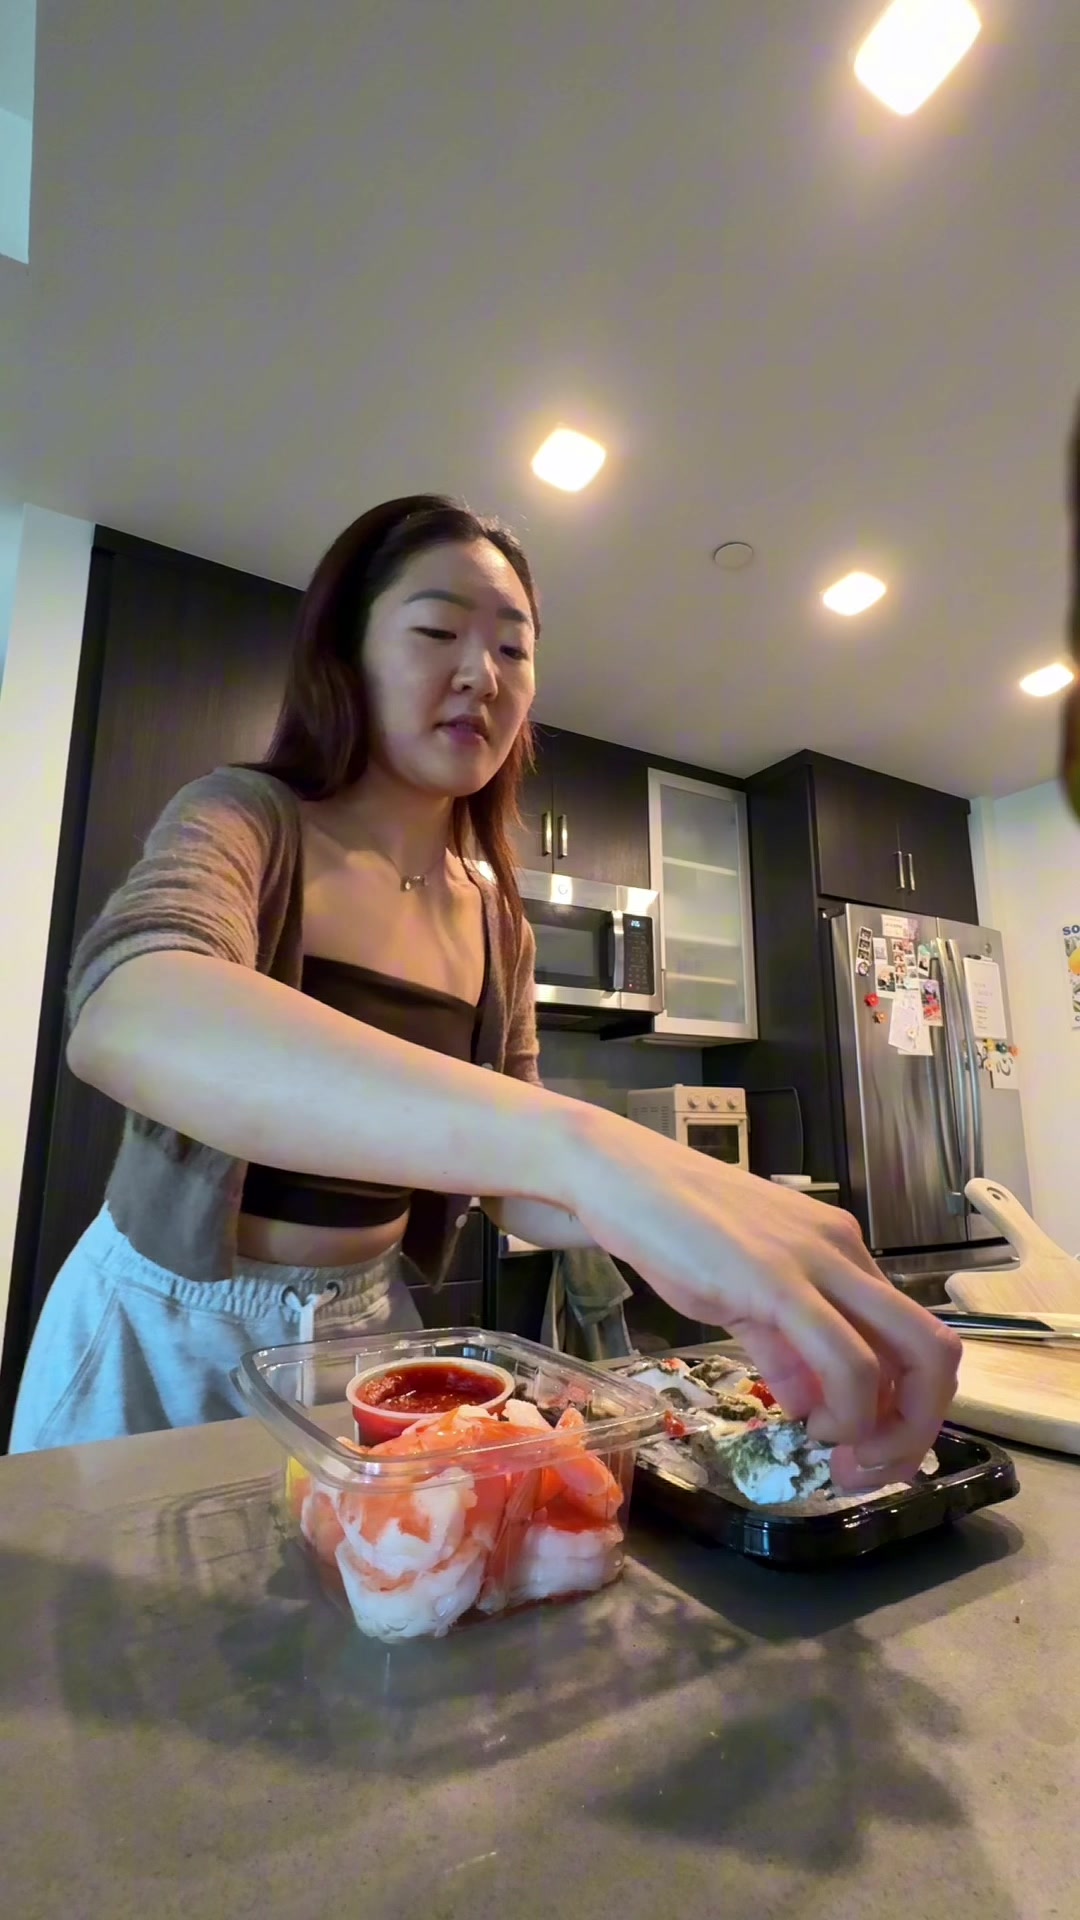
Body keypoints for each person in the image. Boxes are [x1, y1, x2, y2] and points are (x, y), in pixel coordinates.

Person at [10, 494, 959, 1476]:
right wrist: (592, 1151)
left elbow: (516, 1190)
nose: (483, 675)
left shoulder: (497, 916)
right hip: (161, 1326)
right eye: (437, 631)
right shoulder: (246, 817)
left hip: (367, 1336)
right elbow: (132, 1008)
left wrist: (701, 1205)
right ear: (347, 653)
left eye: (514, 649)